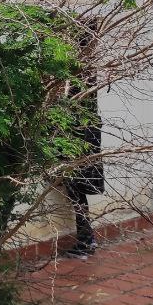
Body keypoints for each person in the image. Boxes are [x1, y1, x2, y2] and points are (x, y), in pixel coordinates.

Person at [62, 74, 104, 259]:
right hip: (87, 142)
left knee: (77, 192)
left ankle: (86, 241)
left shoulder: (75, 84)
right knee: (80, 193)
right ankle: (88, 239)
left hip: (78, 144)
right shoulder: (89, 81)